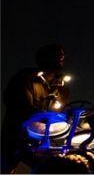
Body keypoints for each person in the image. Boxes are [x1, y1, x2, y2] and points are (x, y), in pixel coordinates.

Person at [1, 45, 70, 173]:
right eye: (56, 54)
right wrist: (43, 116)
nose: (62, 56)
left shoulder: (61, 87)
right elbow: (18, 106)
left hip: (43, 140)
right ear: (43, 58)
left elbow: (62, 112)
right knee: (5, 167)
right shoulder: (25, 78)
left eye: (62, 54)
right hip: (17, 138)